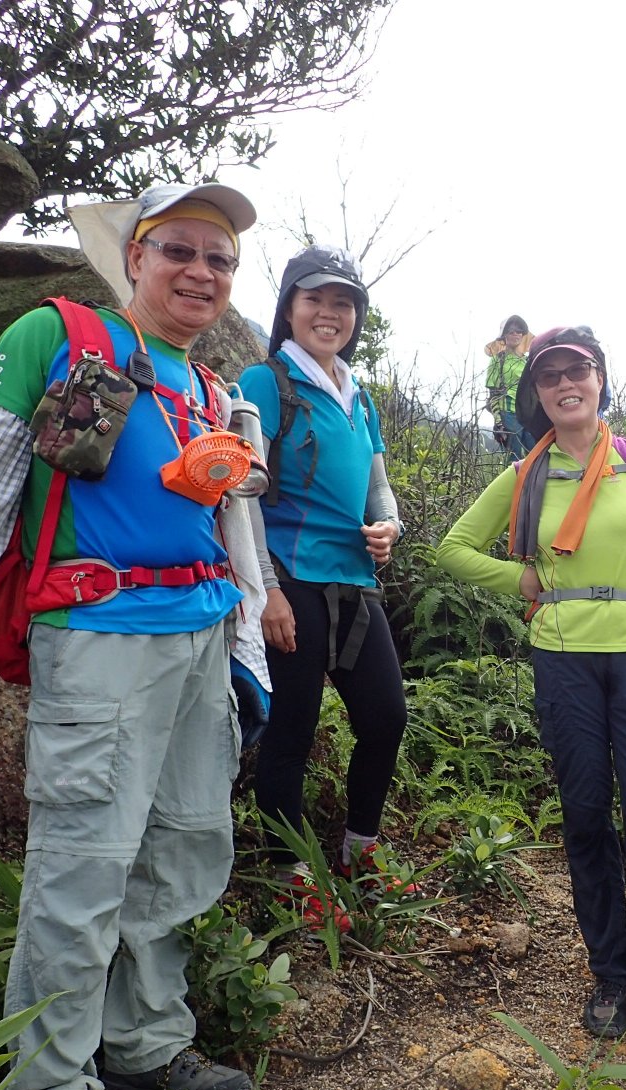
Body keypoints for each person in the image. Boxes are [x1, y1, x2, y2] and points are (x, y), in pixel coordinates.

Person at [0, 182, 270, 1090]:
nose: (200, 273)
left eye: (220, 260)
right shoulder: (59, 336)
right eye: (179, 250)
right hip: (98, 635)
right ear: (135, 255)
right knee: (82, 868)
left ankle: (145, 1044)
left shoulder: (212, 387)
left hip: (200, 639)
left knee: (184, 848)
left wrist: (249, 653)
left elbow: (234, 529)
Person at [437, 325, 626, 1044]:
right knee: (586, 817)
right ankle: (612, 974)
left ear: (599, 379)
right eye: (549, 376)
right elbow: (452, 549)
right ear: (537, 393)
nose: (565, 384)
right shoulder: (526, 473)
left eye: (576, 371)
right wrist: (520, 579)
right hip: (563, 661)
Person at [237, 245, 407, 918]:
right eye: (315, 300)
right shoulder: (265, 382)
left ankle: (359, 851)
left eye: (343, 303)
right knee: (292, 730)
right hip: (292, 578)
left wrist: (389, 526)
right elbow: (242, 497)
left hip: (354, 584)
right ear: (289, 308)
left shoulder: (359, 396)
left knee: (386, 719)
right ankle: (290, 876)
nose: (329, 313)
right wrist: (266, 591)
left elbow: (378, 488)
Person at [485, 314, 533, 453]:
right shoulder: (498, 360)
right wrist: (499, 423)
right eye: (511, 331)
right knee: (513, 457)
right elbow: (493, 393)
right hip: (508, 414)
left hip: (527, 414)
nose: (516, 334)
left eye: (519, 331)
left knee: (535, 454)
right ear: (504, 335)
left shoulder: (527, 361)